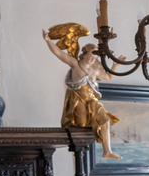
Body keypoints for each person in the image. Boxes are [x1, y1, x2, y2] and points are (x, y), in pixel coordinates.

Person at [42, 31, 121, 159]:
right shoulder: (75, 64)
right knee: (81, 125)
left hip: (92, 101)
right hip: (78, 101)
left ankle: (107, 151)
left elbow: (109, 76)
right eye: (91, 55)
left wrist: (115, 65)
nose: (93, 59)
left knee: (105, 119)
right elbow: (59, 53)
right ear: (84, 54)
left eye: (95, 57)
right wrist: (48, 40)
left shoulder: (95, 70)